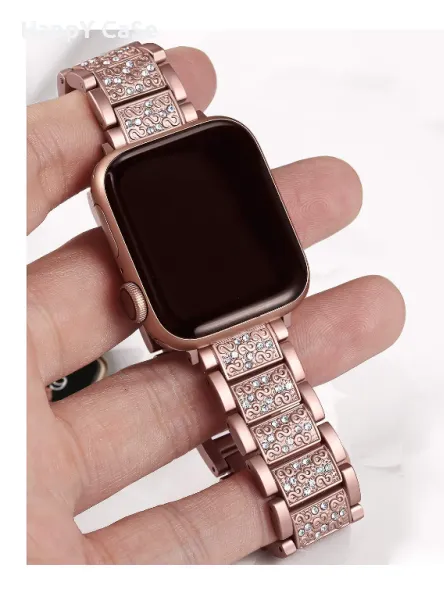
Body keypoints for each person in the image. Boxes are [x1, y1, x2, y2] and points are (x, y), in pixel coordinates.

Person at [27, 45, 405, 564]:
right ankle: (294, 498)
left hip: (248, 307)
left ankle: (300, 498)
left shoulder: (217, 149)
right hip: (218, 318)